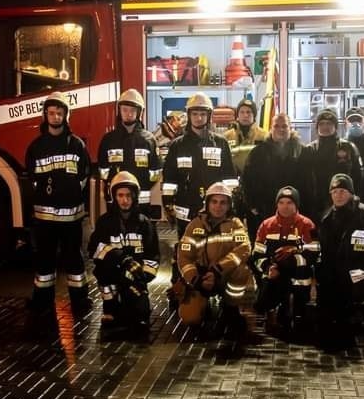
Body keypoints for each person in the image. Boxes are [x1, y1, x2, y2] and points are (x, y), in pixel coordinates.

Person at [25, 91, 91, 313]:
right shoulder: (36, 146)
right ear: (45, 116)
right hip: (45, 219)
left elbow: (84, 176)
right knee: (44, 262)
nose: (55, 117)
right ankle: (42, 302)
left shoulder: (77, 145)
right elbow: (32, 179)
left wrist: (73, 196)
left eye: (59, 113)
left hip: (72, 217)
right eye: (51, 113)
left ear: (66, 116)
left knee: (74, 261)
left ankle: (80, 302)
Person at [317, 174, 364, 348]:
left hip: (359, 270)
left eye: (343, 191)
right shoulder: (327, 217)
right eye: (335, 191)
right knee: (327, 311)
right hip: (336, 272)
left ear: (351, 193)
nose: (338, 195)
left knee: (358, 296)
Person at [172, 182, 252, 335]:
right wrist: (195, 279)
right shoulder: (194, 225)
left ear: (229, 205)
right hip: (201, 278)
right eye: (214, 201)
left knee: (242, 271)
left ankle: (231, 307)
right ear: (207, 203)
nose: (218, 206)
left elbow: (244, 248)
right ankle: (202, 303)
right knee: (191, 318)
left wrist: (218, 270)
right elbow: (184, 256)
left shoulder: (235, 224)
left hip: (223, 275)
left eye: (223, 202)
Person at [88, 171, 159, 330]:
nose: (125, 200)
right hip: (112, 273)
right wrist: (122, 259)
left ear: (135, 196)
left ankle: (134, 303)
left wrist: (143, 278)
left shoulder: (145, 224)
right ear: (114, 196)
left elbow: (153, 256)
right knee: (103, 272)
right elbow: (94, 248)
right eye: (120, 195)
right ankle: (110, 307)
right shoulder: (105, 222)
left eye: (128, 195)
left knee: (141, 316)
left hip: (135, 276)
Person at [162, 92, 237, 237]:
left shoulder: (221, 143)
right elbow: (169, 179)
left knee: (214, 248)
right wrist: (167, 203)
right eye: (195, 114)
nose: (198, 118)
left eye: (202, 114)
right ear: (189, 116)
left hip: (215, 209)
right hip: (185, 208)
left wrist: (231, 203)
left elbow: (229, 177)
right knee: (186, 249)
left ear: (208, 116)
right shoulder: (177, 146)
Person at [251, 186, 316, 335]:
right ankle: (274, 305)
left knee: (299, 319)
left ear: (296, 205)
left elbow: (314, 254)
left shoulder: (308, 225)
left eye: (289, 203)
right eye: (281, 202)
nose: (285, 207)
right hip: (275, 274)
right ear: (276, 204)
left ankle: (296, 307)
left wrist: (293, 258)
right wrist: (268, 268)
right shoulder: (266, 226)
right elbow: (256, 256)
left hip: (298, 276)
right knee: (261, 304)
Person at [241, 113, 309, 244]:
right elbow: (247, 181)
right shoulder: (258, 153)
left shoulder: (302, 152)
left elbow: (309, 184)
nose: (281, 129)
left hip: (295, 214)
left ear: (291, 128)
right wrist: (252, 206)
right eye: (276, 126)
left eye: (284, 126)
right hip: (264, 212)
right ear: (271, 129)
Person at [98, 89, 160, 217]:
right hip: (116, 200)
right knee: (116, 236)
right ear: (119, 111)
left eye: (132, 110)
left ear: (139, 113)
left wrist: (141, 186)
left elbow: (156, 172)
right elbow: (102, 170)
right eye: (125, 110)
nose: (128, 114)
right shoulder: (108, 139)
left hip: (141, 201)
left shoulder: (149, 140)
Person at [306, 109, 363, 223]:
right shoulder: (309, 150)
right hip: (316, 205)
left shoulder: (348, 147)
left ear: (336, 126)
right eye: (321, 123)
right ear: (317, 127)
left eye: (329, 123)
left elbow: (359, 176)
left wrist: (355, 200)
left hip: (344, 204)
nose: (325, 127)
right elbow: (304, 179)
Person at [223, 99, 268, 174]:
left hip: (257, 178)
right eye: (242, 112)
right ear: (238, 115)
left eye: (248, 112)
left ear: (254, 115)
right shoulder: (227, 136)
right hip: (232, 179)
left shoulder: (264, 136)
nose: (245, 115)